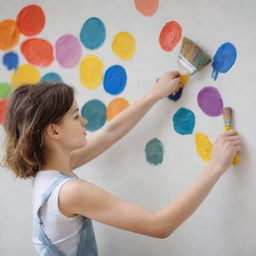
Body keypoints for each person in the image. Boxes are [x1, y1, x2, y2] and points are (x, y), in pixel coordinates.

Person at [1, 71, 242, 256]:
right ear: (54, 131)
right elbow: (160, 226)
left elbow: (110, 133)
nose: (84, 121)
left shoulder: (49, 172)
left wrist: (156, 93)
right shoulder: (70, 192)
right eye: (76, 116)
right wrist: (216, 166)